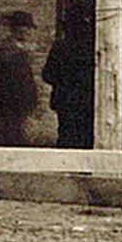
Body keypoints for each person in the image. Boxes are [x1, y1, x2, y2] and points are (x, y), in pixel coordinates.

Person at [0, 12, 43, 146]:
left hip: (21, 108)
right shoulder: (8, 52)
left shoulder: (20, 51)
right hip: (11, 107)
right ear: (17, 29)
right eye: (25, 28)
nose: (28, 32)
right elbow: (3, 84)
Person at [40, 14, 94, 148]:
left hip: (65, 100)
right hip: (84, 101)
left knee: (66, 134)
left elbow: (47, 75)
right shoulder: (90, 49)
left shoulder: (60, 47)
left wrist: (61, 82)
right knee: (84, 135)